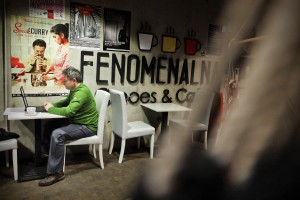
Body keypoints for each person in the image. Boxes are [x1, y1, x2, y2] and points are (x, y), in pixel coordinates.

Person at [38, 67, 98, 187]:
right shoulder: (75, 90)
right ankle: (50, 156)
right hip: (78, 122)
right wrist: (52, 105)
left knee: (57, 134)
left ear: (73, 80)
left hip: (87, 126)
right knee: (50, 124)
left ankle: (57, 173)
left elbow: (69, 111)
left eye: (65, 80)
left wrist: (50, 109)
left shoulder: (81, 92)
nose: (63, 82)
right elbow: (66, 102)